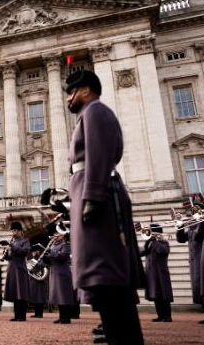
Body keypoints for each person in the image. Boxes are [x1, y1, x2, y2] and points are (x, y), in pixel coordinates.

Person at [66, 70, 145, 344]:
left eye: (71, 91)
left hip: (98, 196)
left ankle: (122, 337)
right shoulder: (88, 114)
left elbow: (99, 156)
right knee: (101, 276)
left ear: (85, 90)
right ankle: (117, 335)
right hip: (89, 193)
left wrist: (93, 197)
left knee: (105, 273)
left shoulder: (95, 111)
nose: (68, 98)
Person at [140, 224, 173, 322]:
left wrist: (155, 241)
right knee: (155, 294)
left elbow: (163, 251)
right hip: (151, 273)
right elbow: (142, 253)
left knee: (163, 294)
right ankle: (160, 315)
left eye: (150, 231)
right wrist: (147, 242)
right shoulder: (149, 242)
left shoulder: (164, 242)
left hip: (160, 272)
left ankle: (167, 316)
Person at [3, 222, 30, 322]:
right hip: (12, 269)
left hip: (20, 269)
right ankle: (16, 315)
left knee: (21, 293)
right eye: (12, 230)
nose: (13, 232)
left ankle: (22, 316)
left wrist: (12, 246)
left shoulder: (25, 241)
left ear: (19, 231)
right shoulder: (12, 242)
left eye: (14, 230)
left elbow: (23, 252)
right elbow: (9, 257)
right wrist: (5, 253)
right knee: (14, 292)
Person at [47, 230, 74, 324]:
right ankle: (61, 316)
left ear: (62, 235)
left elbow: (63, 256)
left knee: (64, 296)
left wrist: (51, 252)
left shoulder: (66, 244)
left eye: (57, 234)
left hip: (63, 272)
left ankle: (66, 318)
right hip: (55, 271)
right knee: (58, 296)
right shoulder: (53, 245)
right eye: (54, 234)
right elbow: (53, 257)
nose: (55, 236)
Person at [28, 243, 47, 319]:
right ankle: (36, 313)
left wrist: (32, 268)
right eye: (32, 252)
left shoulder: (42, 258)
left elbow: (41, 266)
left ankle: (40, 313)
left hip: (40, 280)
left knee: (39, 298)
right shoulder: (32, 260)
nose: (33, 253)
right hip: (33, 280)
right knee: (35, 297)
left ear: (38, 252)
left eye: (34, 252)